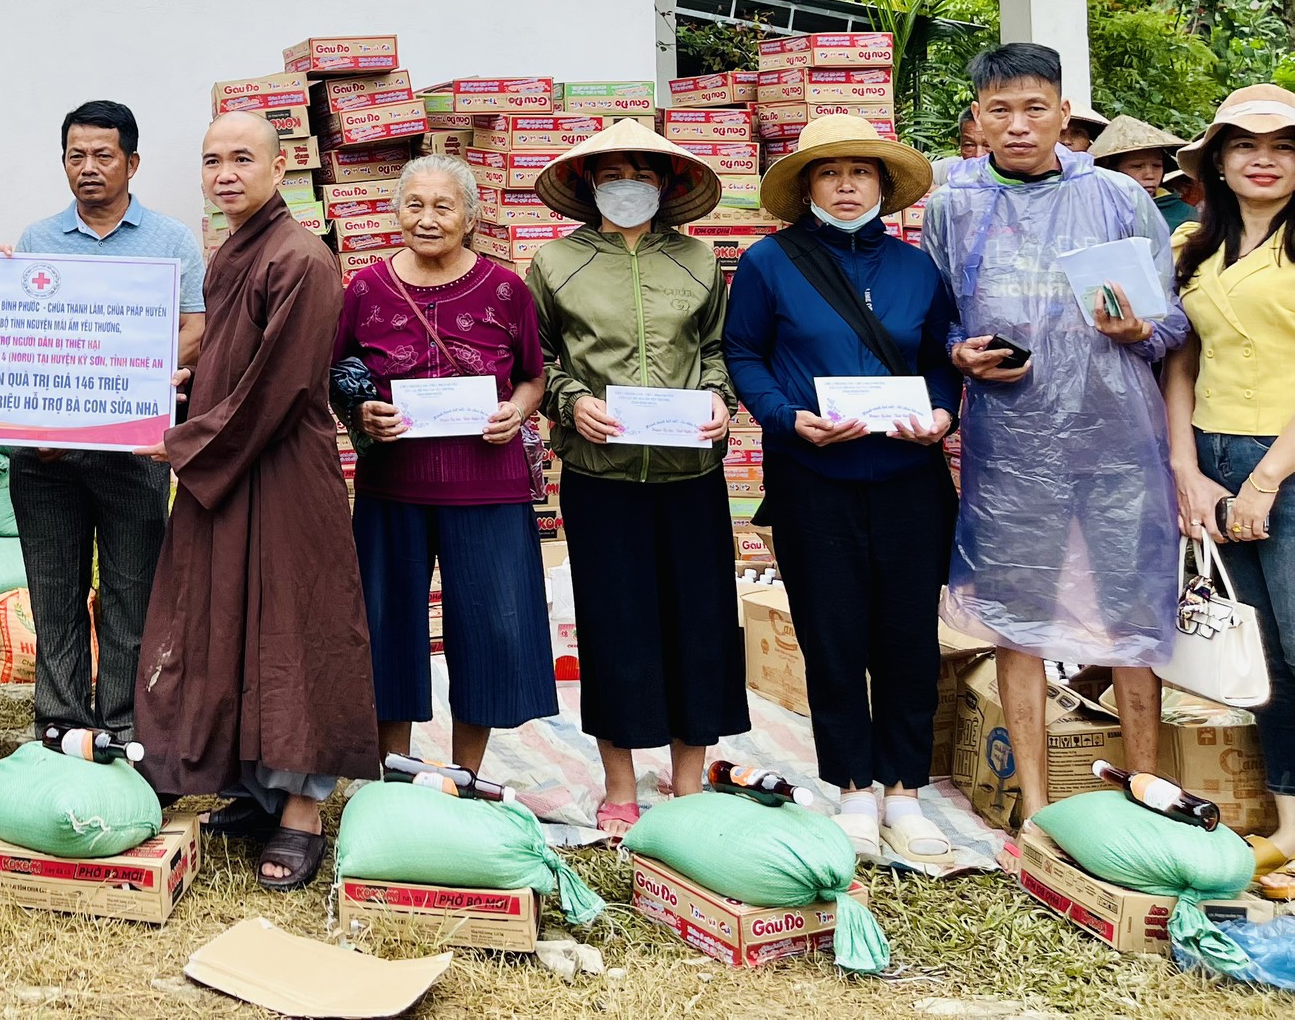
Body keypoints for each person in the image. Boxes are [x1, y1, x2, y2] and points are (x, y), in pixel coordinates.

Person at [924, 43, 1186, 826]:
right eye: (999, 110)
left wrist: (1138, 326)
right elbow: (932, 316)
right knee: (1018, 617)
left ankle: (1146, 794)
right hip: (1013, 447)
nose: (1018, 124)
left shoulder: (1115, 198)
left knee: (1130, 617)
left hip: (1119, 441)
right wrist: (955, 353)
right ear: (976, 121)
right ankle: (1034, 810)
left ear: (1065, 114)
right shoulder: (953, 204)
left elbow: (1170, 324)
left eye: (1035, 107)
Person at [136, 112, 376, 892]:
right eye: (212, 161)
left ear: (282, 169)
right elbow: (231, 360)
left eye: (243, 158)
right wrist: (176, 387)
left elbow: (282, 387)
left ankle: (302, 812)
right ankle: (252, 788)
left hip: (279, 474)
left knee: (292, 630)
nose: (226, 174)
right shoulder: (233, 252)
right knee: (225, 620)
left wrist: (180, 443)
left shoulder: (301, 257)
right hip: (228, 466)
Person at [722, 114, 960, 862]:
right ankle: (854, 787)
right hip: (813, 477)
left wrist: (944, 412)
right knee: (832, 637)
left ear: (885, 188)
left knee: (907, 641)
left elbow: (941, 357)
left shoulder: (917, 268)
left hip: (908, 480)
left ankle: (906, 791)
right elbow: (744, 350)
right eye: (831, 173)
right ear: (808, 188)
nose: (848, 185)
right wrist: (785, 418)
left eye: (863, 173)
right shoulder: (769, 263)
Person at [526, 120, 739, 835]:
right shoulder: (556, 263)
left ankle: (688, 782)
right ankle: (619, 782)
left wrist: (719, 399)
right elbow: (540, 357)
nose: (626, 186)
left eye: (641, 174)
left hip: (690, 472)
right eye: (611, 173)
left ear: (667, 185)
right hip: (600, 472)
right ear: (588, 184)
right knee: (615, 626)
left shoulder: (698, 262)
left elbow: (716, 349)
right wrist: (570, 402)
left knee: (700, 625)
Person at [337, 152, 554, 780]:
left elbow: (534, 379)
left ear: (471, 217)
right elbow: (339, 377)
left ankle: (468, 775)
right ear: (395, 212)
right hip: (392, 487)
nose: (427, 219)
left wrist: (516, 411)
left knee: (489, 628)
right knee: (386, 625)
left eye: (443, 206)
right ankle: (393, 769)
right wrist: (361, 415)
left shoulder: (506, 288)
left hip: (487, 488)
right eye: (414, 205)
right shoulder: (366, 288)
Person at [8, 101, 208, 745]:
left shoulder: (172, 239)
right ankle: (59, 724)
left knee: (131, 592)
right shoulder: (37, 241)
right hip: (49, 452)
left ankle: (124, 725)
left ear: (132, 163)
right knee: (54, 591)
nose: (88, 168)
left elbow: (197, 330)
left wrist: (123, 376)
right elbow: (18, 338)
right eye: (75, 156)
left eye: (102, 155)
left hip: (134, 447)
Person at [1165, 85, 1295, 853]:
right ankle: (1286, 821)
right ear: (1218, 159)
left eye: (1283, 147)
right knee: (1262, 654)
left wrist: (1267, 479)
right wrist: (1187, 468)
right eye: (1246, 145)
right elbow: (1182, 359)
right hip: (1214, 456)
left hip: (1283, 461)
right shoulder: (1196, 247)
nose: (1265, 160)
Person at [1091, 116, 1196, 234]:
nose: (1150, 175)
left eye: (1157, 166)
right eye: (1137, 166)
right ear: (1112, 171)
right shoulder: (1093, 212)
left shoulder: (1187, 216)